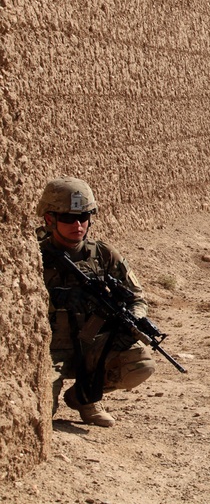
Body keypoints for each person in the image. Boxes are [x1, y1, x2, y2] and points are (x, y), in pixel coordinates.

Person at [36, 177, 155, 427]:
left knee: (141, 363)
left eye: (84, 216)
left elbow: (137, 297)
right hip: (48, 350)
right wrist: (56, 297)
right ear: (49, 219)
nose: (78, 225)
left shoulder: (103, 254)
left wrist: (133, 319)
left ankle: (84, 397)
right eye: (68, 218)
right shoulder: (34, 255)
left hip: (91, 344)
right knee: (39, 414)